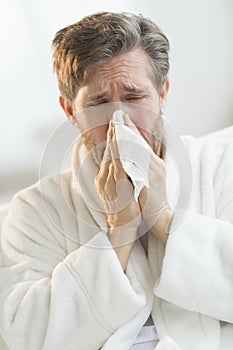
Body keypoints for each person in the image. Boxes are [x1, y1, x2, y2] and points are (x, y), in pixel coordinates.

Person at [0, 11, 233, 350]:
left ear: (163, 95)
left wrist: (164, 220)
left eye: (135, 97)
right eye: (98, 104)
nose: (118, 120)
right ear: (70, 112)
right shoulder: (34, 210)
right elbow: (29, 338)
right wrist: (119, 232)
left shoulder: (220, 167)